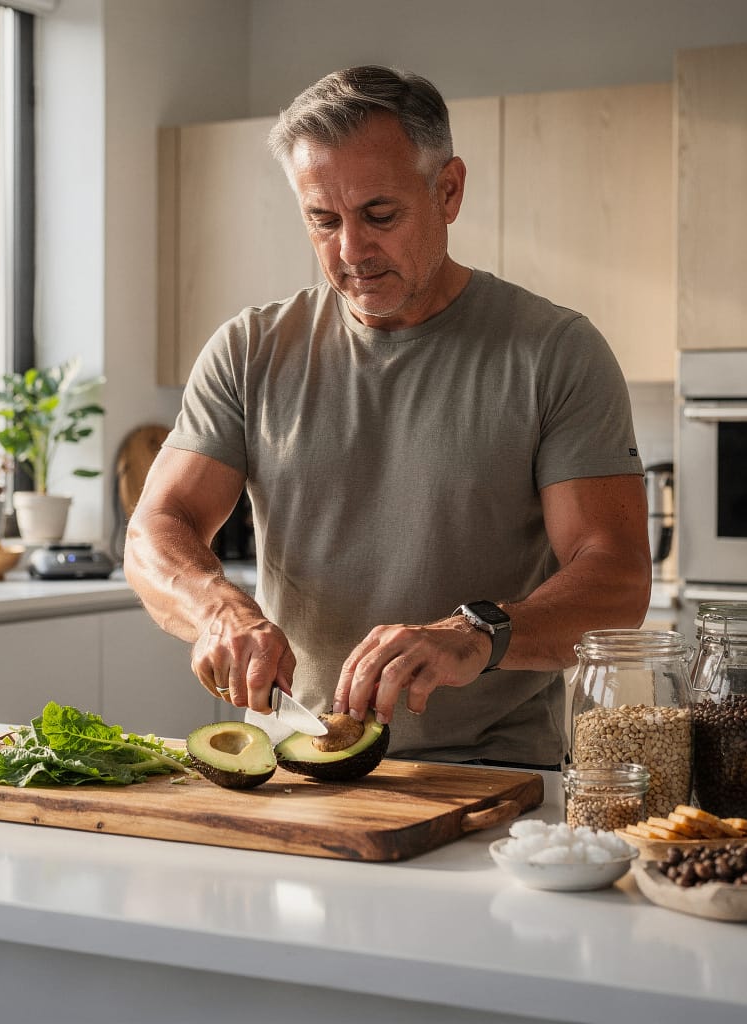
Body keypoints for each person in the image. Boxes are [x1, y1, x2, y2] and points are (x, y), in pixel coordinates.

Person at [125, 65, 651, 770]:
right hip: (296, 761)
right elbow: (156, 529)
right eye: (323, 219)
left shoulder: (555, 352)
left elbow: (616, 581)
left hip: (496, 778)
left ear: (448, 190)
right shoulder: (250, 350)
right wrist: (218, 607)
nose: (351, 251)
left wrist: (479, 633)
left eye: (380, 215)